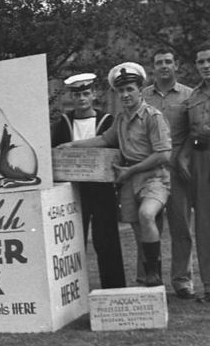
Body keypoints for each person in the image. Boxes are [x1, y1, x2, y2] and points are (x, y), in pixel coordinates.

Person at [57, 62, 171, 288]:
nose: (125, 94)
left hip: (153, 177)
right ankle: (148, 279)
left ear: (140, 90)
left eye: (130, 89)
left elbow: (163, 154)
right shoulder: (121, 118)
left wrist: (132, 170)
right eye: (121, 90)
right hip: (129, 181)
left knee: (147, 215)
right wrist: (72, 145)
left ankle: (154, 273)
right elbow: (104, 139)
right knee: (139, 231)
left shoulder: (153, 116)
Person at [51, 73, 125, 289]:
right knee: (72, 241)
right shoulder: (63, 123)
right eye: (77, 95)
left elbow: (115, 150)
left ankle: (113, 289)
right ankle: (74, 290)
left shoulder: (108, 121)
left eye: (85, 93)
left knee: (106, 240)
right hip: (73, 191)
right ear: (71, 97)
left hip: (102, 189)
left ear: (94, 94)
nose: (82, 98)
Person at [141, 48, 195, 298]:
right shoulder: (142, 96)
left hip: (177, 168)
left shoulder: (189, 95)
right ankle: (150, 277)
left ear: (176, 65)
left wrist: (184, 156)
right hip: (150, 169)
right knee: (148, 221)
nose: (164, 66)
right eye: (159, 62)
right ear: (153, 67)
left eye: (168, 62)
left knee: (180, 225)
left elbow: (195, 130)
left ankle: (182, 280)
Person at [178, 40, 210, 303]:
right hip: (199, 159)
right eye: (201, 61)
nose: (206, 65)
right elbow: (190, 132)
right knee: (206, 225)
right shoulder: (193, 96)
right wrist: (184, 155)